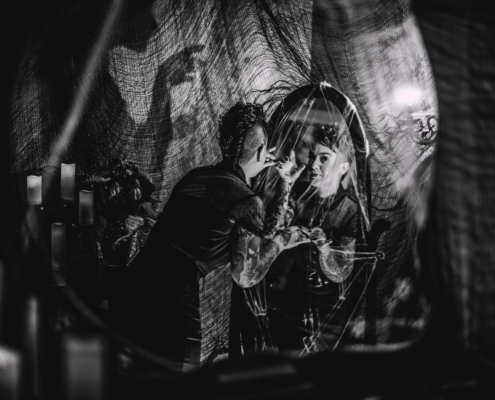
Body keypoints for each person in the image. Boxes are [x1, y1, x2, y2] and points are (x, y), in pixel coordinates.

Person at [112, 102, 309, 372]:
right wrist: (283, 241)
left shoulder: (195, 177)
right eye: (265, 149)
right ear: (262, 150)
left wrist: (284, 183)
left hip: (129, 289)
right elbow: (246, 275)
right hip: (171, 307)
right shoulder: (247, 200)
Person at [266, 124, 360, 354]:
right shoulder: (299, 198)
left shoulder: (350, 211)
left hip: (331, 306)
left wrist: (324, 248)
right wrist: (285, 184)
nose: (314, 165)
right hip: (295, 297)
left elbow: (342, 271)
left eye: (325, 158)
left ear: (344, 166)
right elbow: (269, 232)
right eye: (313, 157)